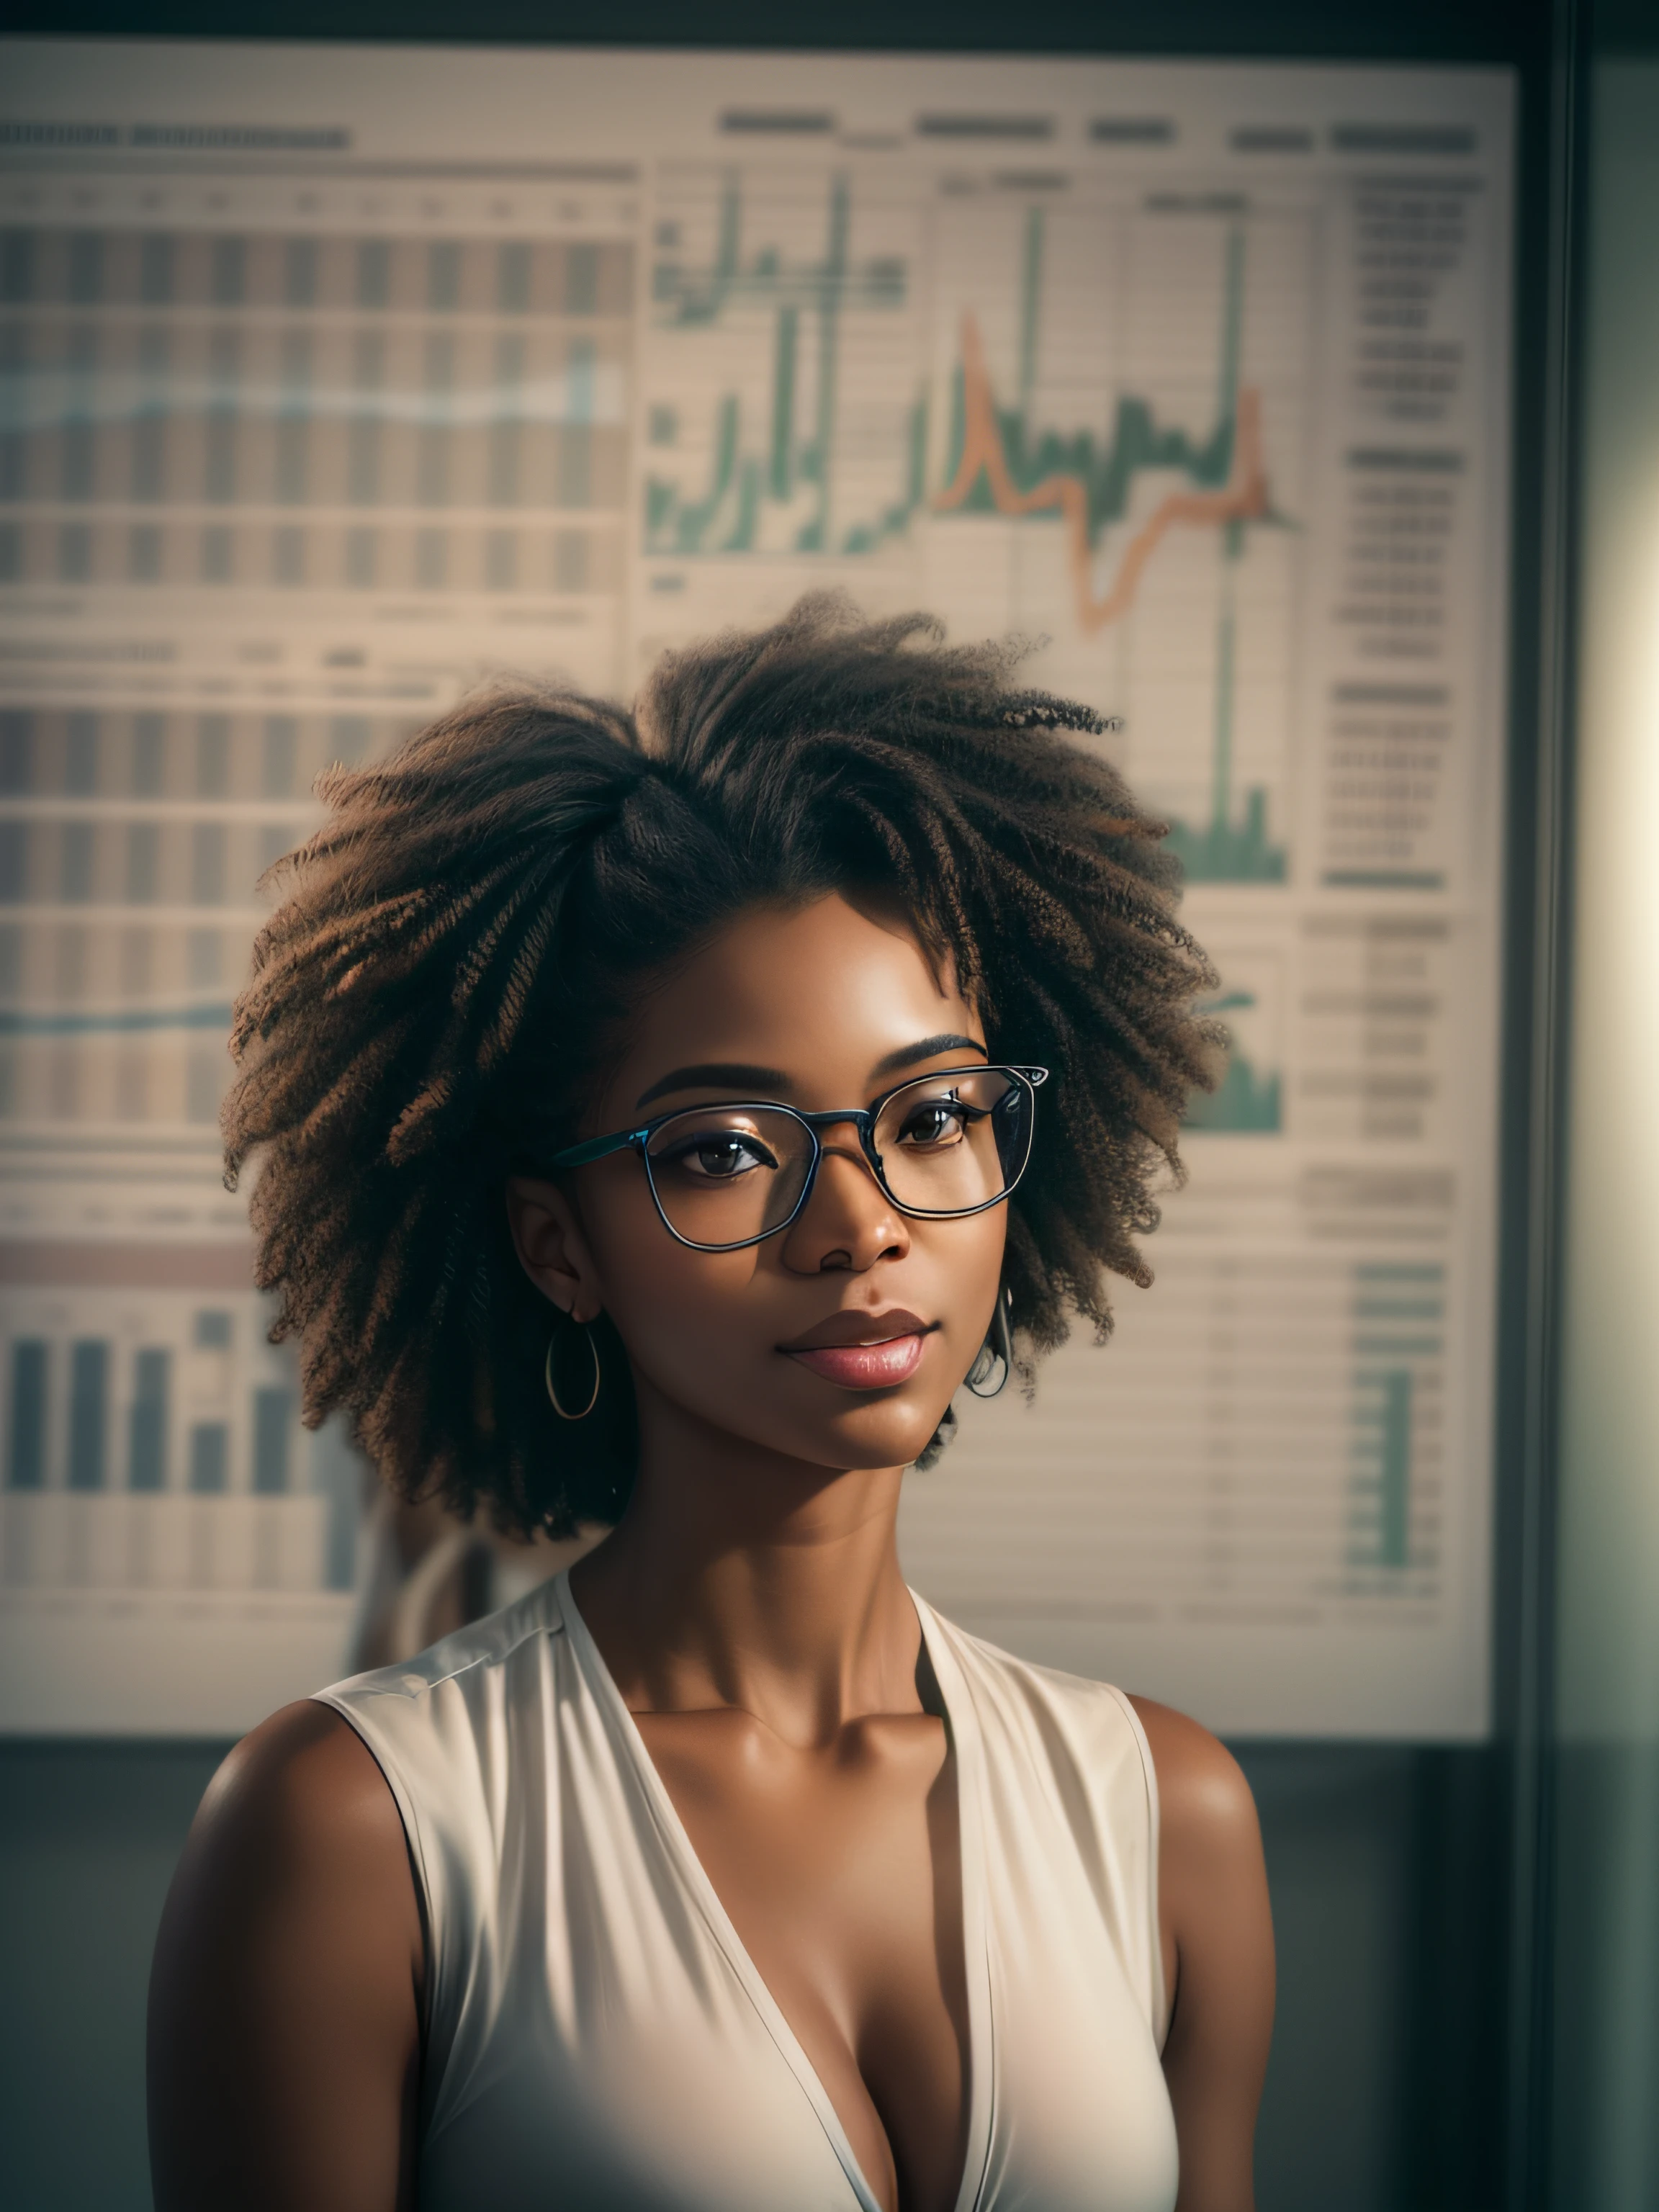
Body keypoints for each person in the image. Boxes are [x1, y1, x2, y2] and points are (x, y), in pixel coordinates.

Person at [148, 600, 1274, 2212]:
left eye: (936, 1115)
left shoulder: (1168, 1811)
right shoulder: (354, 1834)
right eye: (725, 1151)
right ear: (558, 1247)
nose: (862, 1224)